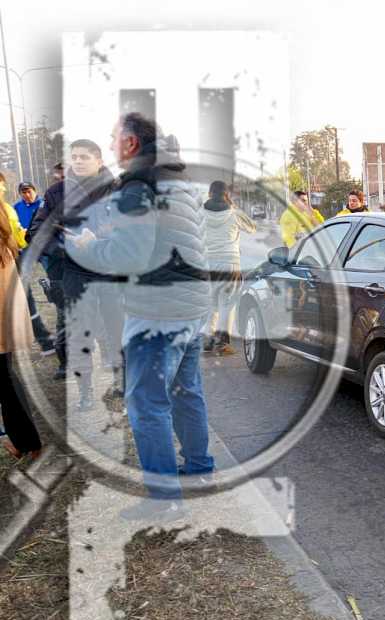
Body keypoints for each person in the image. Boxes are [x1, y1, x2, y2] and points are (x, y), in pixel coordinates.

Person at [67, 113, 213, 517]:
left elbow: (130, 255)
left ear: (131, 143)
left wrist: (86, 247)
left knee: (146, 404)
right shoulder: (176, 180)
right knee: (187, 392)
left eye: (113, 136)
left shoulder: (138, 183)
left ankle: (165, 500)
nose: (109, 142)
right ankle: (199, 469)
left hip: (157, 310)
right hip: (191, 302)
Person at [33, 139, 120, 409]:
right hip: (74, 273)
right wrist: (65, 246)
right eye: (75, 157)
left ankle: (123, 385)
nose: (79, 161)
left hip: (113, 272)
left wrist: (101, 237)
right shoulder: (56, 193)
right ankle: (85, 393)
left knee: (118, 331)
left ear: (100, 160)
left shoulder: (120, 190)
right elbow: (36, 231)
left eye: (85, 156)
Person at [0, 179, 43, 461]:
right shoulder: (6, 211)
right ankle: (25, 441)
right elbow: (18, 242)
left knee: (6, 380)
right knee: (6, 379)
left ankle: (27, 441)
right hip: (6, 314)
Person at [1, 178, 56, 357]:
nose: (26, 194)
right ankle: (45, 340)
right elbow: (17, 234)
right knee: (24, 299)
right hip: (14, 256)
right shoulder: (12, 207)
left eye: (29, 190)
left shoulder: (41, 204)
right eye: (23, 191)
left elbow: (17, 233)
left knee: (26, 298)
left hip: (25, 252)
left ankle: (45, 340)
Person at [200, 180, 256, 354]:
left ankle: (208, 340)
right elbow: (252, 228)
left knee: (211, 303)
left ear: (210, 194)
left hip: (208, 263)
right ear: (226, 195)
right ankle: (222, 343)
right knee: (226, 303)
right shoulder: (233, 213)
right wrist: (234, 206)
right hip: (229, 263)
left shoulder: (200, 213)